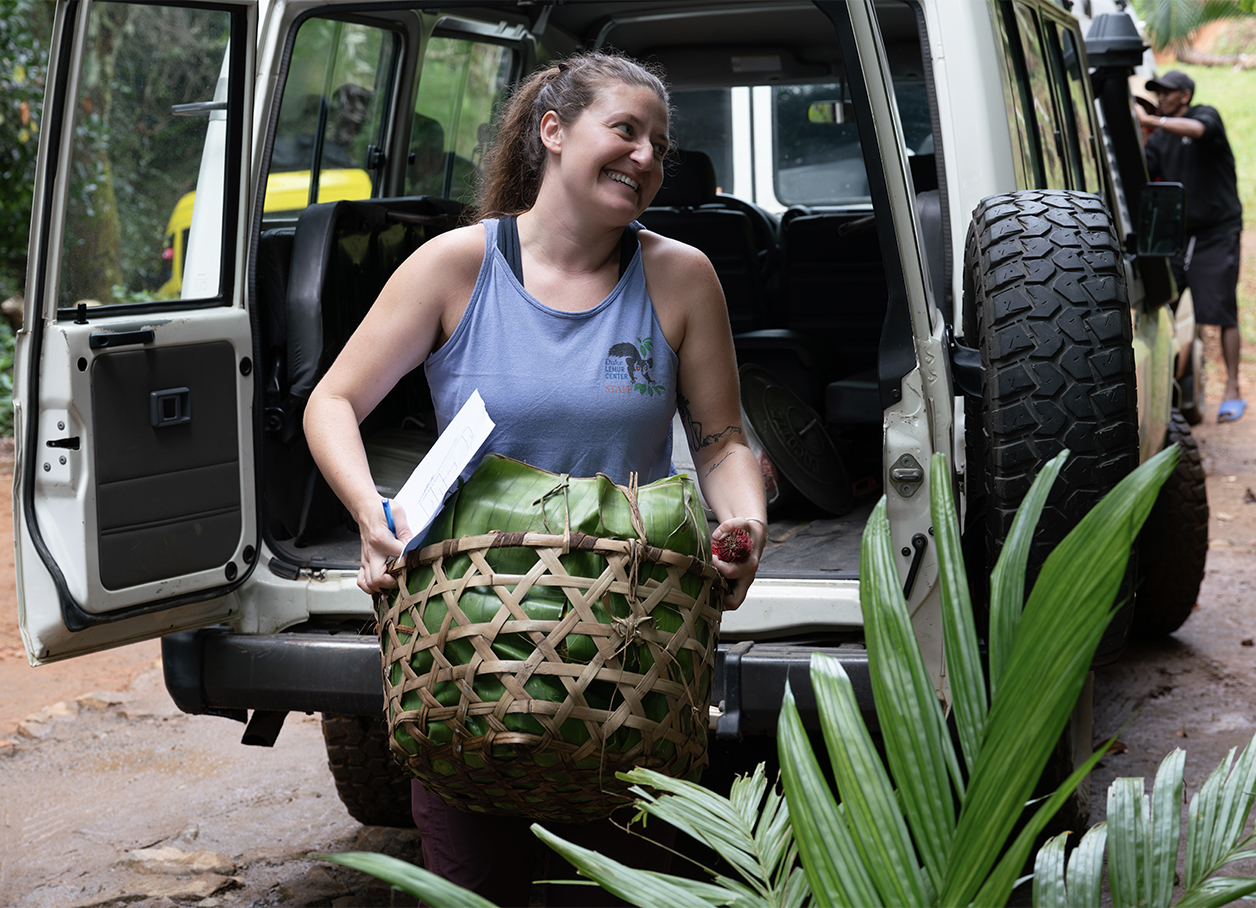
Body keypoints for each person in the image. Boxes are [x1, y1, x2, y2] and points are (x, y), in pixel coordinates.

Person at [303, 52, 768, 906]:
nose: (646, 157)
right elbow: (333, 400)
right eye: (625, 130)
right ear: (553, 132)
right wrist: (371, 513)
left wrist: (743, 521)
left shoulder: (680, 277)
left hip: (625, 665)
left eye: (659, 146)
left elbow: (720, 439)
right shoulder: (457, 267)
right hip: (468, 652)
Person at [1136, 69, 1245, 422]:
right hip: (1178, 236)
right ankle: (1163, 388)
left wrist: (1153, 119)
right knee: (1161, 304)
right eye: (1158, 93)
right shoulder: (1160, 138)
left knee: (1221, 311)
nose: (1161, 97)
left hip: (1217, 231)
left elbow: (1197, 131)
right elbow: (1142, 170)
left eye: (1167, 92)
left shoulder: (1204, 115)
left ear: (1184, 95)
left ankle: (1232, 389)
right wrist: (1139, 133)